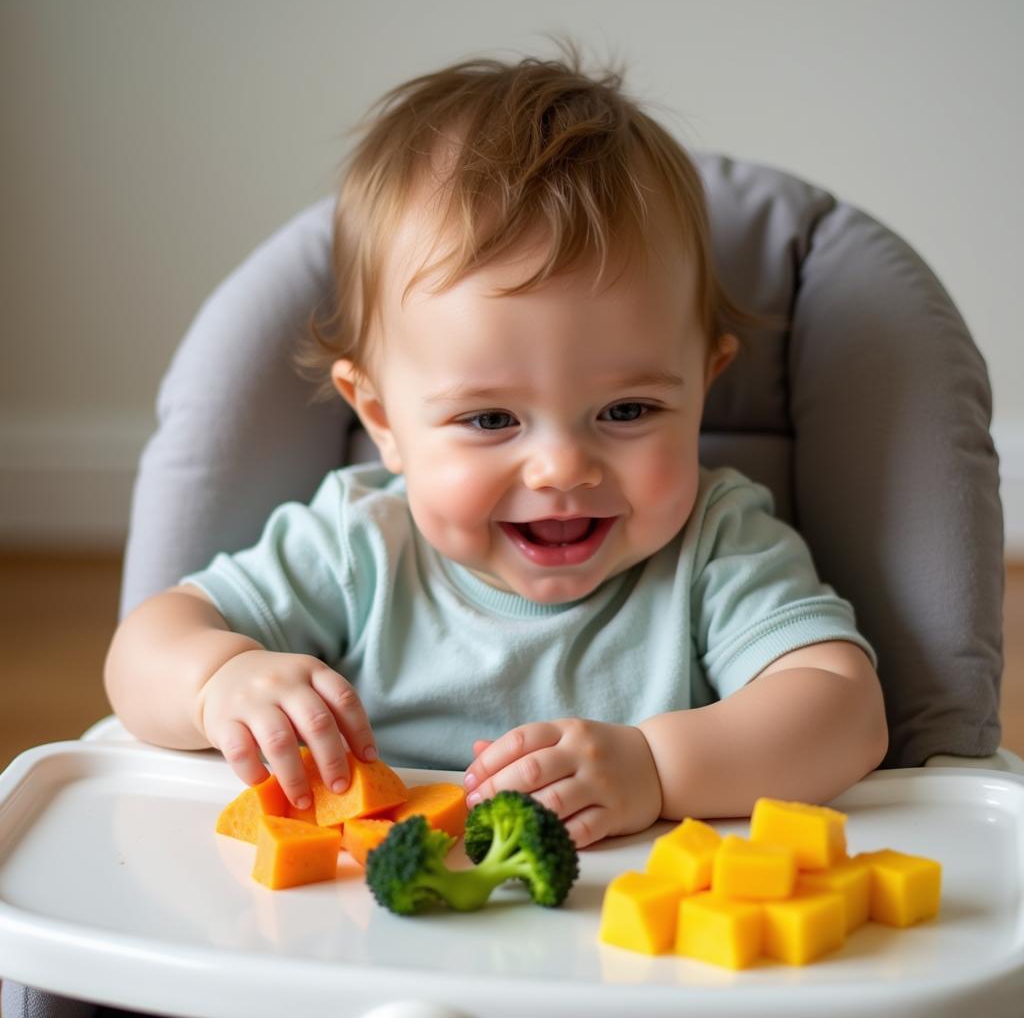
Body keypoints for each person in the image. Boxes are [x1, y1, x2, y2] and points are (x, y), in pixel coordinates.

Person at [104, 46, 888, 849]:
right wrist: (215, 680)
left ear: (705, 386)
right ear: (381, 420)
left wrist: (657, 766)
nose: (561, 469)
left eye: (627, 409)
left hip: (632, 954)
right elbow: (145, 648)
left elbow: (845, 711)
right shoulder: (360, 542)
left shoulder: (715, 544)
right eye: (489, 420)